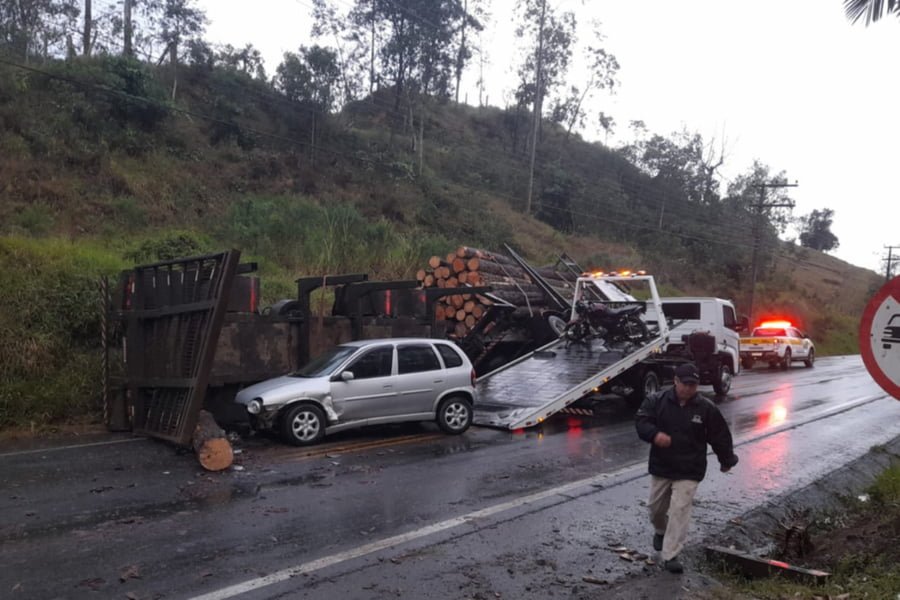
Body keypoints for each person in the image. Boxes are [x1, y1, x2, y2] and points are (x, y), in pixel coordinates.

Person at [635, 362, 739, 574]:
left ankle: (671, 554)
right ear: (675, 382)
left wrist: (726, 460)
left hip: (690, 468)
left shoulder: (706, 408)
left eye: (693, 384)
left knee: (680, 509)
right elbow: (642, 421)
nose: (689, 388)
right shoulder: (657, 401)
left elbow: (719, 435)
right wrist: (655, 435)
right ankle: (660, 530)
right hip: (662, 465)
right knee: (655, 508)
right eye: (685, 384)